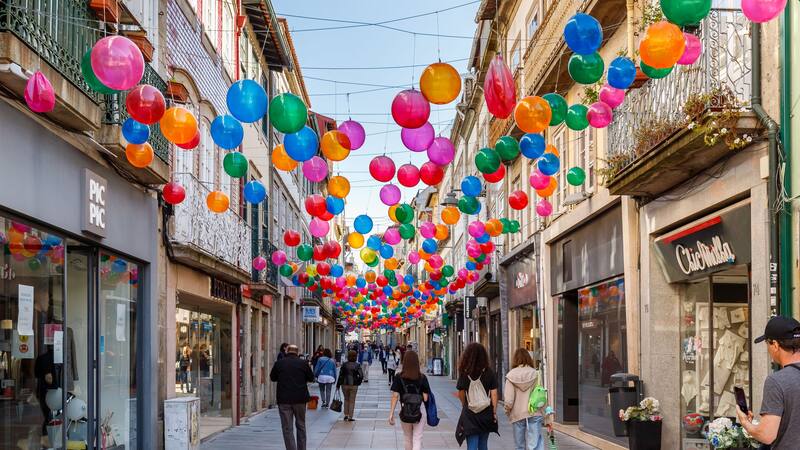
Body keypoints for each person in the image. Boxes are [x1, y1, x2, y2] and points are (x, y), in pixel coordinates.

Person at [737, 316, 800, 449]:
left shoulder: (777, 381)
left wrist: (745, 422)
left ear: (775, 345)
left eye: (767, 343)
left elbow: (767, 435)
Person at [504, 349, 551, 450]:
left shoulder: (511, 375)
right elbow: (541, 395)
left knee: (519, 446)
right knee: (535, 445)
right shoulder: (535, 374)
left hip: (517, 413)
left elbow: (509, 400)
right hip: (534, 412)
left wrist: (507, 411)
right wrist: (545, 412)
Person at [270, 344, 314, 450]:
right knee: (301, 425)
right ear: (297, 352)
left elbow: (273, 377)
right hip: (300, 399)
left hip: (284, 399)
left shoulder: (279, 363)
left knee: (287, 428)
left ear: (287, 351)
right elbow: (311, 378)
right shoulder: (303, 363)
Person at [456, 343, 499, 450]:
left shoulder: (464, 372)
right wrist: (494, 412)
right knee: (483, 444)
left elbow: (461, 392)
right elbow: (494, 393)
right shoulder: (489, 372)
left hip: (470, 414)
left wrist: (465, 404)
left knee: (472, 445)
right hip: (486, 413)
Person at [388, 350, 431, 450]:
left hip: (404, 409)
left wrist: (391, 413)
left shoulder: (399, 377)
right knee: (417, 437)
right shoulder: (422, 377)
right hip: (419, 409)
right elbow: (425, 398)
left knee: (407, 437)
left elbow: (395, 396)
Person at [337, 350, 364, 421]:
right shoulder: (357, 365)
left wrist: (338, 384)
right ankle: (350, 416)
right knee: (352, 400)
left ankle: (346, 414)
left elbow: (340, 375)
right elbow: (361, 375)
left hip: (344, 384)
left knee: (346, 399)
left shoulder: (344, 364)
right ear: (355, 356)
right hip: (354, 384)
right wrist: (358, 382)